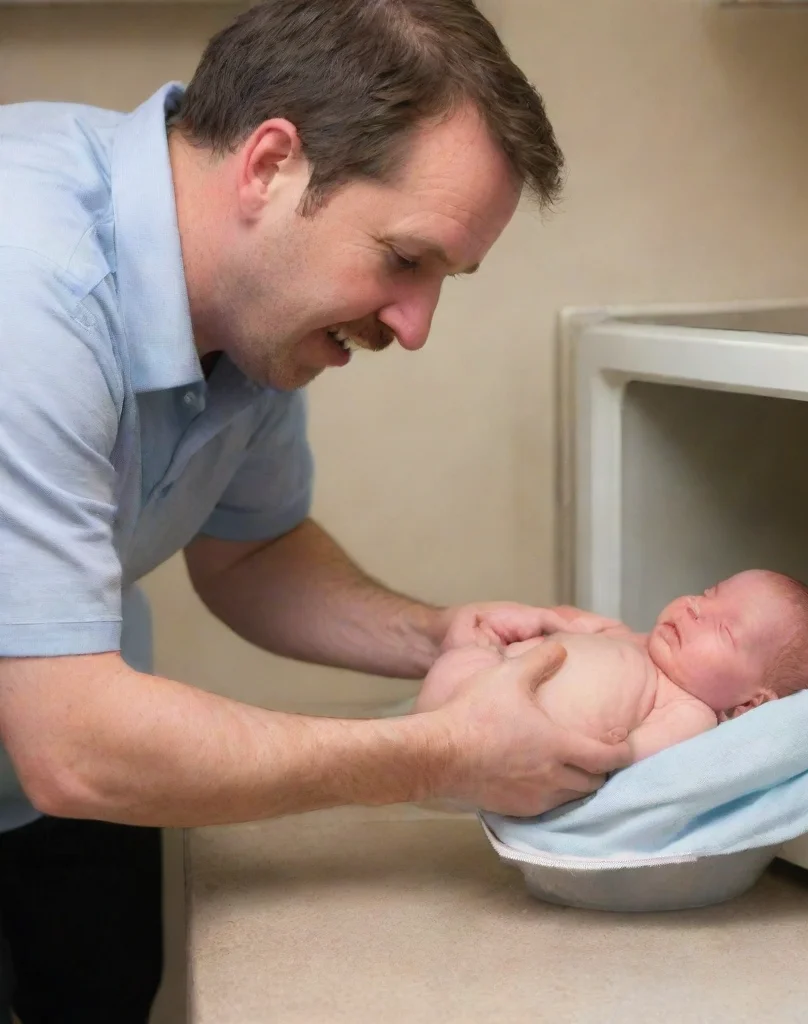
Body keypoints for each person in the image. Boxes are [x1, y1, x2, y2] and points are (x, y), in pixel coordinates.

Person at [0, 1, 633, 1019]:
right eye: (404, 259)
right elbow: (73, 742)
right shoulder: (29, 287)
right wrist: (443, 754)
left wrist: (438, 638)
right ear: (269, 166)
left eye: (445, 281)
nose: (415, 326)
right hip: (69, 745)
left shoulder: (258, 320)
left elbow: (250, 557)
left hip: (63, 770)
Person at [417, 570, 808, 771]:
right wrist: (544, 622)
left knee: (449, 711)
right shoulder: (632, 637)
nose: (695, 606)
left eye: (724, 629)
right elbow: (576, 624)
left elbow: (645, 754)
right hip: (483, 674)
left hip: (514, 734)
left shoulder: (689, 712)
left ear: (750, 704)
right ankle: (455, 668)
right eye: (709, 592)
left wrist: (617, 753)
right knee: (465, 650)